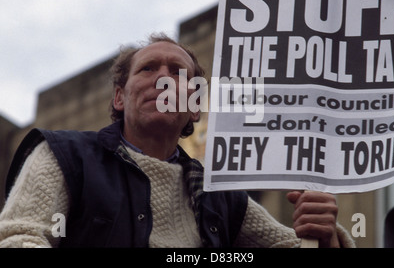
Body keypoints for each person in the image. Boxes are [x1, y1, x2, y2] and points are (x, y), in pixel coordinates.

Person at [0, 33, 354, 248]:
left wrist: (324, 234)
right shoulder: (65, 157)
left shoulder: (225, 198)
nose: (165, 80)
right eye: (149, 68)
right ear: (119, 98)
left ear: (196, 107)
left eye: (179, 73)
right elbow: (20, 237)